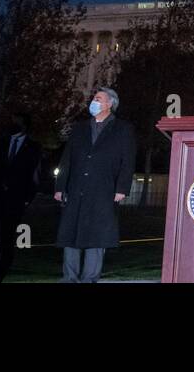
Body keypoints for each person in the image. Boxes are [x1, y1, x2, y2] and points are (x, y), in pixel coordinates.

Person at [54, 88, 136, 282]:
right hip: (76, 188)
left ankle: (90, 278)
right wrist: (60, 186)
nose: (94, 101)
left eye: (98, 99)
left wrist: (121, 188)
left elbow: (128, 160)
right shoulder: (80, 128)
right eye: (94, 98)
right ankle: (69, 277)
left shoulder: (123, 129)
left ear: (110, 104)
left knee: (98, 235)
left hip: (103, 190)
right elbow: (67, 159)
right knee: (70, 234)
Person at [0, 111, 42, 283]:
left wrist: (27, 198)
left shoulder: (33, 147)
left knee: (7, 242)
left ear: (24, 125)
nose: (11, 124)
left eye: (16, 121)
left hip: (14, 202)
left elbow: (35, 175)